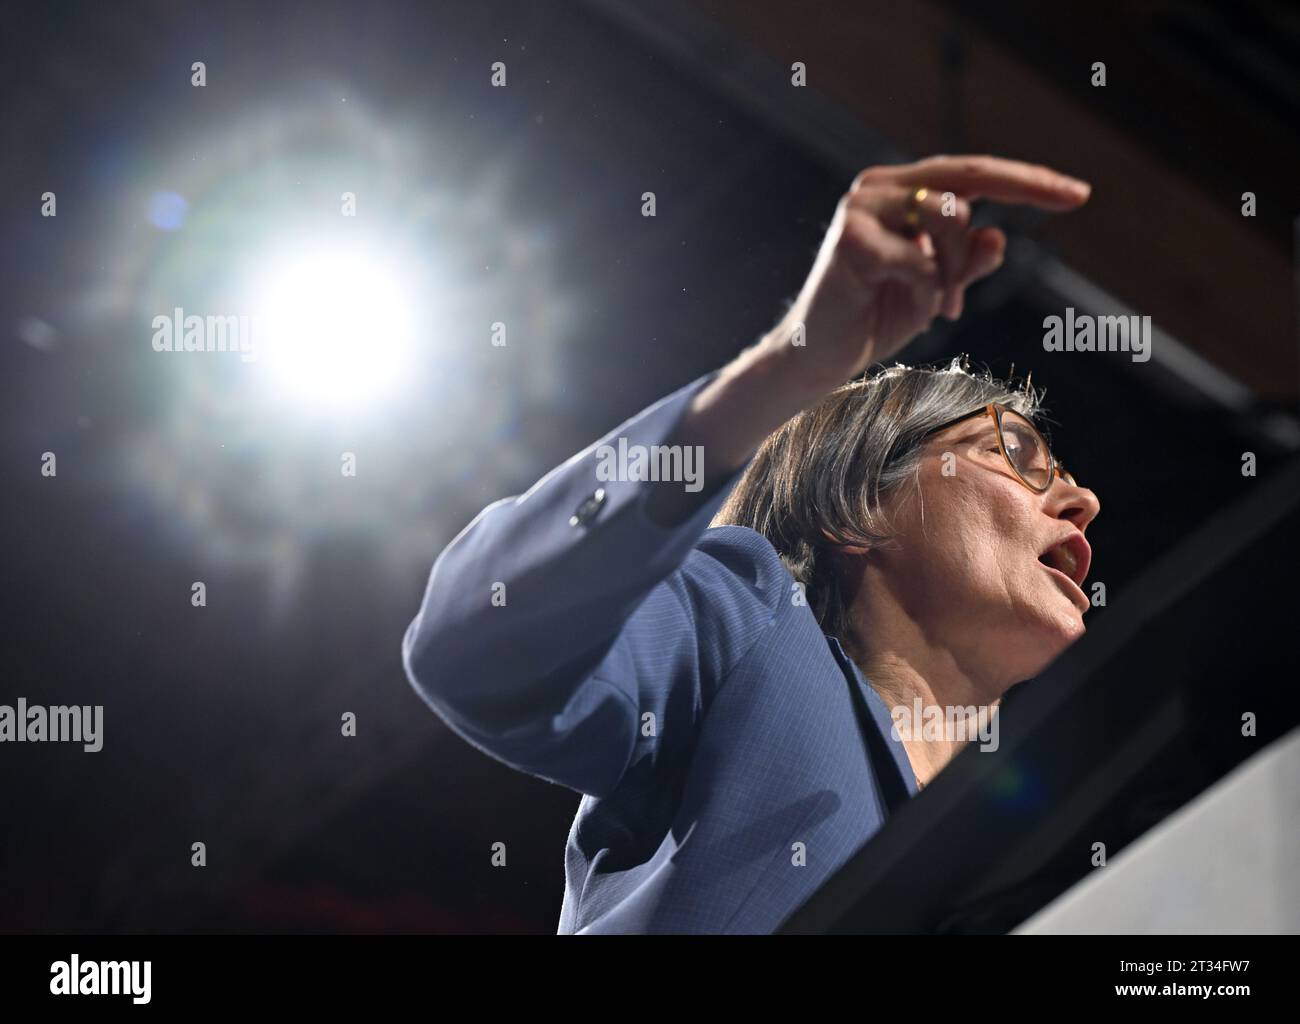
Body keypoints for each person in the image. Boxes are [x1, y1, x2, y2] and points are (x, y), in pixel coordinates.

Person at [402, 155, 1102, 934]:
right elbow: (475, 645)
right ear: (860, 504)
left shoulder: (1036, 852)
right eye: (1021, 457)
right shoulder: (752, 623)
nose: (1083, 500)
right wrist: (789, 366)